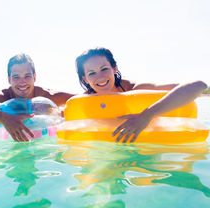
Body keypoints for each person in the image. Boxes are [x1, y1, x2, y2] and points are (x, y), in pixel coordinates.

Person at [75, 47, 208, 143]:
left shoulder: (136, 90)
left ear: (114, 69)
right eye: (92, 73)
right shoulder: (84, 102)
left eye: (104, 69)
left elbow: (198, 86)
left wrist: (147, 116)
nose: (100, 77)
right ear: (85, 78)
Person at [0, 53, 74, 142]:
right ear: (9, 79)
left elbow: (82, 99)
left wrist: (62, 115)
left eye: (27, 76)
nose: (22, 82)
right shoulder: (1, 97)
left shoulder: (47, 96)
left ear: (34, 77)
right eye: (16, 77)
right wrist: (3, 118)